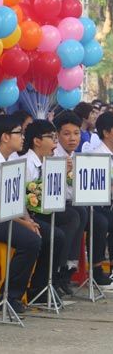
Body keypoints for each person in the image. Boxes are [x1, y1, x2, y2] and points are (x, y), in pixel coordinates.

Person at [0, 115, 55, 312]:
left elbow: (17, 197)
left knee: (46, 233)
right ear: (5, 137)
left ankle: (37, 289)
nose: (22, 138)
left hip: (6, 213)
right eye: (19, 133)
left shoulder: (11, 159)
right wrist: (22, 222)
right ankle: (8, 296)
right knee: (30, 241)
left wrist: (27, 219)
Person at [20, 120, 77, 296]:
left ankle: (57, 273)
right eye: (51, 138)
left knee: (73, 215)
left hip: (40, 210)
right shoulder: (25, 164)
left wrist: (62, 172)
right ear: (37, 141)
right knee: (55, 235)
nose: (55, 143)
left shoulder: (45, 161)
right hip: (25, 214)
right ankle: (39, 287)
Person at [53, 111, 90, 278]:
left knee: (82, 211)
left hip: (69, 202)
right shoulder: (53, 155)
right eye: (67, 134)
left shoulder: (76, 155)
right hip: (52, 203)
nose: (73, 138)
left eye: (76, 133)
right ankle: (60, 268)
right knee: (74, 216)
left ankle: (71, 264)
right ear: (57, 135)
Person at [90, 112, 113, 285]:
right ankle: (97, 268)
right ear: (106, 132)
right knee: (102, 222)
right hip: (96, 205)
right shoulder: (97, 156)